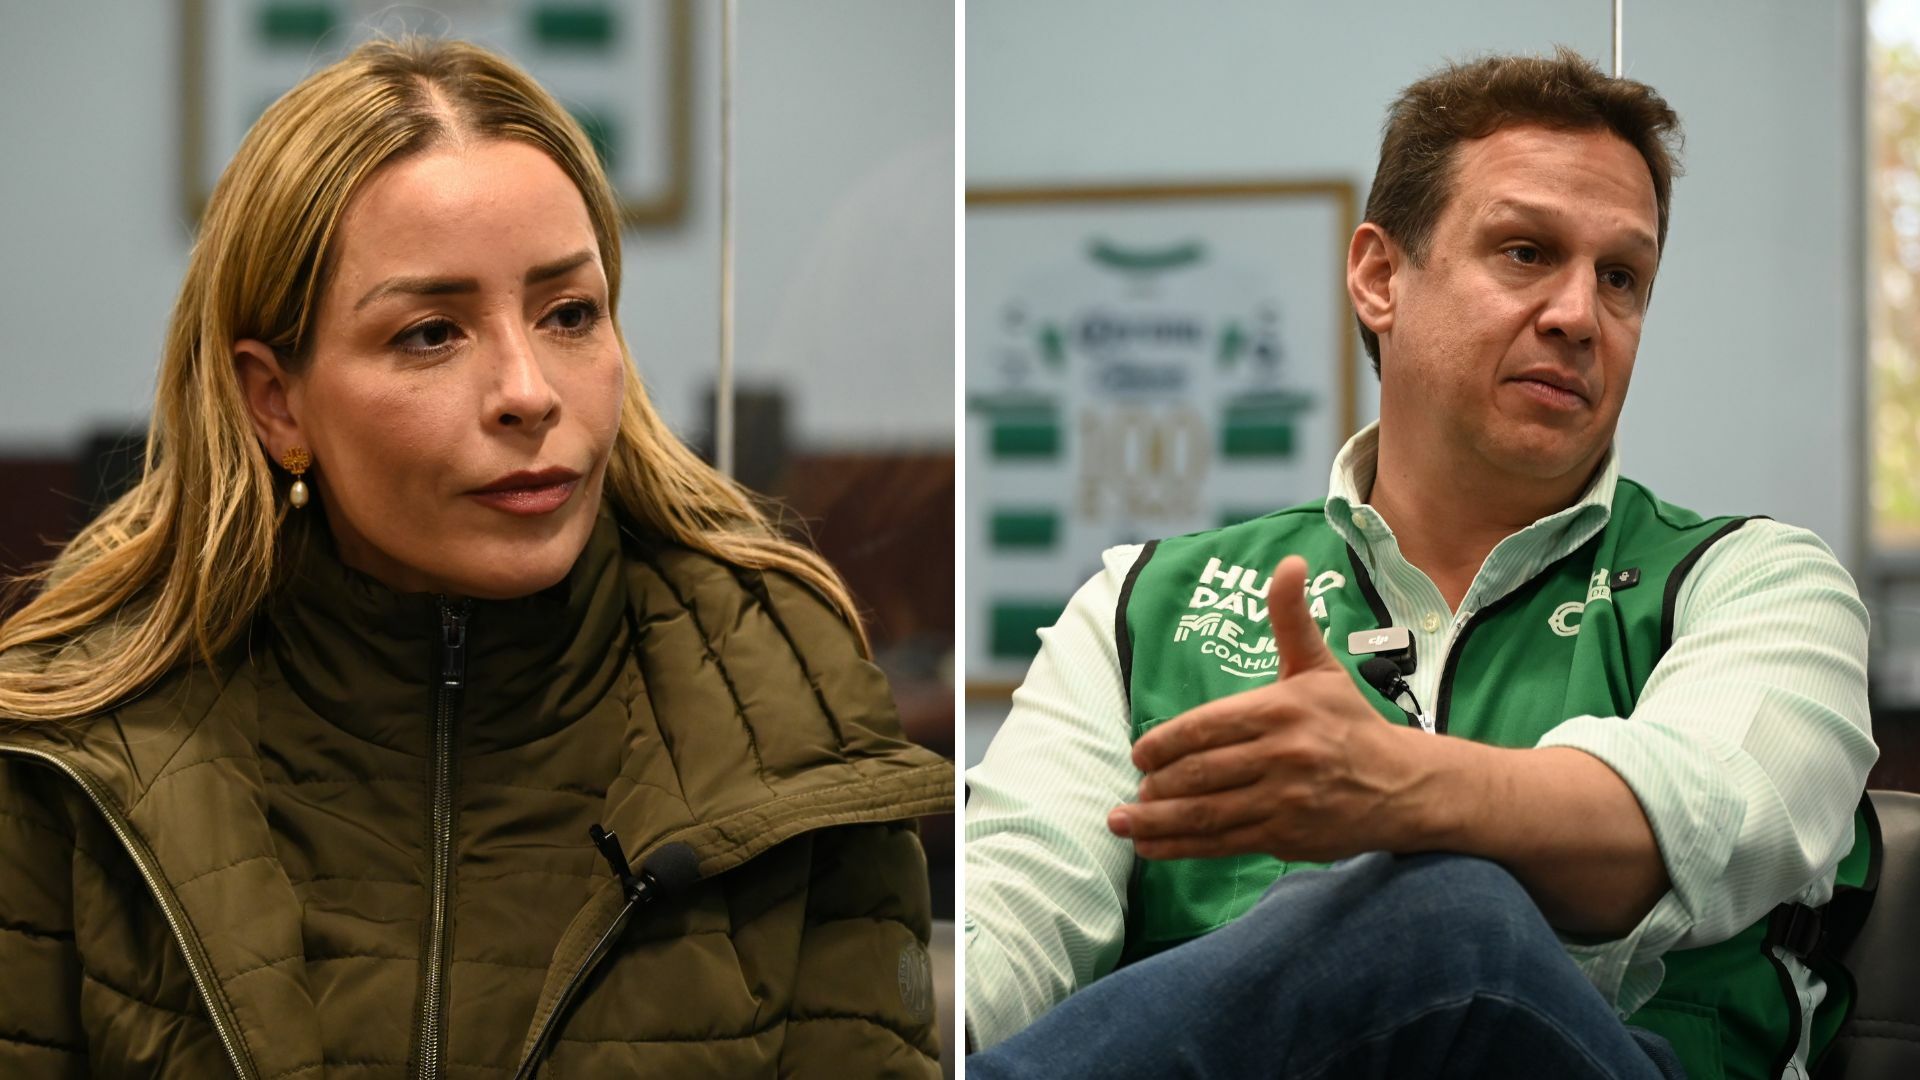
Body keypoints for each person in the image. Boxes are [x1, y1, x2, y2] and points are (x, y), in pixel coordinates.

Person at [0, 37, 951, 1079]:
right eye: (431, 334)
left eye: (570, 315)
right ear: (276, 403)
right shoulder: (75, 747)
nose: (529, 392)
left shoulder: (787, 702)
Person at [964, 48, 1875, 1079]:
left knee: (1449, 910)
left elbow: (1698, 825)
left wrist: (1402, 786)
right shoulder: (1140, 607)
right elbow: (1007, 935)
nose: (1579, 315)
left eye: (1620, 277)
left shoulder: (1758, 583)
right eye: (1526, 252)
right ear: (1379, 277)